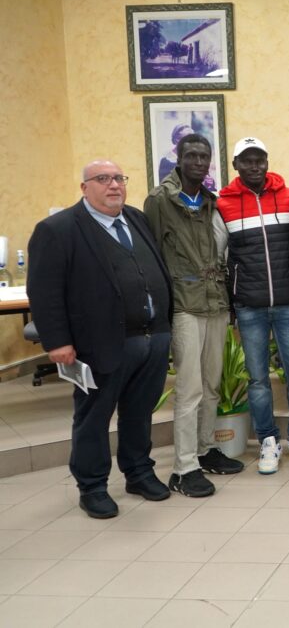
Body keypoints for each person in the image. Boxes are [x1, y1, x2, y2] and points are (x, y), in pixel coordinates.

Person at [28, 160, 172, 518]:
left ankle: (139, 473)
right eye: (103, 179)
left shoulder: (136, 219)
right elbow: (44, 292)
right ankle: (92, 486)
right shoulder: (58, 229)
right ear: (84, 188)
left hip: (151, 338)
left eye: (119, 178)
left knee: (139, 412)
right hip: (100, 344)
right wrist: (57, 341)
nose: (114, 185)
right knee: (94, 418)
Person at [144, 134, 243, 498]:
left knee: (212, 384)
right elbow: (152, 255)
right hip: (184, 304)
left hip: (215, 302)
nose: (199, 162)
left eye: (205, 156)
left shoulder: (210, 201)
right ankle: (183, 468)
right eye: (192, 156)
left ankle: (204, 449)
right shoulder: (160, 200)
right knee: (190, 389)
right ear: (179, 158)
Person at [216, 137, 289, 475]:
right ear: (236, 165)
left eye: (259, 160)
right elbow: (219, 257)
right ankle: (268, 441)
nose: (254, 166)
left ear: (267, 162)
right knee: (258, 380)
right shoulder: (223, 204)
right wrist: (231, 302)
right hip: (249, 306)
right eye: (247, 160)